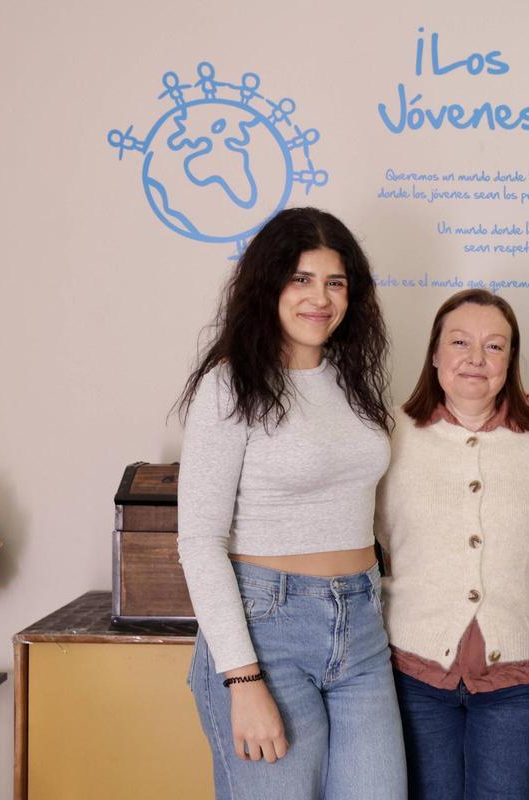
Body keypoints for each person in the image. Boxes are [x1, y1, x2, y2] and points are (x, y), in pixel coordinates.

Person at [176, 207, 406, 800]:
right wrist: (242, 679)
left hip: (361, 626)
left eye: (335, 282)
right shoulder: (229, 385)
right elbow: (199, 540)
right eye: (301, 279)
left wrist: (506, 409)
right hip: (265, 632)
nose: (320, 299)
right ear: (269, 284)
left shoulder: (353, 380)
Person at [375, 289, 529, 800]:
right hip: (414, 671)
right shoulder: (389, 434)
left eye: (494, 346)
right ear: (434, 353)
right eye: (460, 342)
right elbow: (376, 539)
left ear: (511, 361)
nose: (476, 359)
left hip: (521, 676)